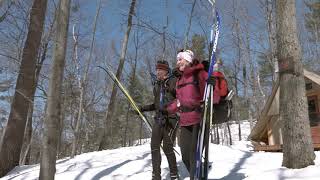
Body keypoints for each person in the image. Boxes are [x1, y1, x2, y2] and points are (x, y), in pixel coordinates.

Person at [165, 50, 209, 179]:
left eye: (181, 59)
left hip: (197, 119)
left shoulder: (197, 74)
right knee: (185, 156)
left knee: (194, 157)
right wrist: (166, 109)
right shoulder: (179, 80)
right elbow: (178, 101)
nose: (178, 62)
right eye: (177, 60)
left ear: (188, 60)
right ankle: (197, 177)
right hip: (184, 121)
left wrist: (211, 81)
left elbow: (210, 91)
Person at [139, 60, 179, 180]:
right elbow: (156, 104)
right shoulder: (157, 85)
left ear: (166, 70)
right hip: (159, 119)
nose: (158, 72)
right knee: (154, 147)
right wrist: (142, 108)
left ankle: (174, 174)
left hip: (171, 119)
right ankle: (156, 176)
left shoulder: (173, 81)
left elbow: (180, 98)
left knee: (167, 147)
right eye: (157, 70)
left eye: (160, 70)